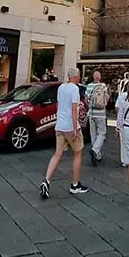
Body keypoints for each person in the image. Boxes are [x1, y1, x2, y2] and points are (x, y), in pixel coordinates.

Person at [40, 68, 88, 199]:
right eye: (78, 77)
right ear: (76, 77)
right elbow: (74, 109)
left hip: (60, 125)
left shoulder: (61, 87)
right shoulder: (75, 89)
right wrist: (75, 128)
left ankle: (46, 180)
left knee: (57, 154)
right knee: (78, 153)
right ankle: (75, 185)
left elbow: (58, 105)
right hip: (69, 126)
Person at [85, 70, 109, 166]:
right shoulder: (103, 86)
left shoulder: (89, 86)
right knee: (102, 133)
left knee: (93, 134)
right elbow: (106, 98)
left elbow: (86, 100)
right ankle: (95, 150)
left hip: (91, 113)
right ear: (100, 77)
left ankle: (97, 154)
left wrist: (90, 106)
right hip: (101, 113)